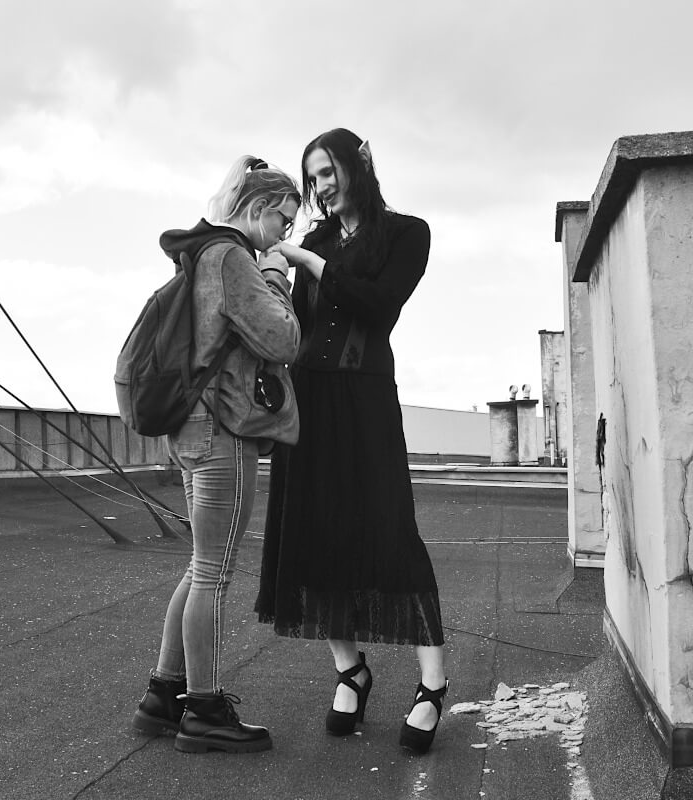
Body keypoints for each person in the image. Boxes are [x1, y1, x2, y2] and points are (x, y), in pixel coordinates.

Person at [255, 128, 448, 754]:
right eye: (312, 176)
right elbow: (292, 329)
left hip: (365, 399)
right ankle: (351, 671)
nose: (320, 185)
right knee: (315, 533)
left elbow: (379, 305)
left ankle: (432, 685)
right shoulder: (307, 239)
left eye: (328, 170)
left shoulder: (406, 233)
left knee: (391, 531)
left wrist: (309, 263)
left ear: (357, 164)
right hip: (309, 401)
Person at [132, 155, 301, 754]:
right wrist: (278, 277)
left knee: (200, 565)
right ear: (257, 209)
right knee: (213, 572)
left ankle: (163, 693)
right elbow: (282, 336)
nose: (287, 232)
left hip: (192, 429)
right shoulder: (233, 257)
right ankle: (203, 709)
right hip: (222, 433)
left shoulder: (200, 253)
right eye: (284, 218)